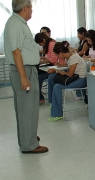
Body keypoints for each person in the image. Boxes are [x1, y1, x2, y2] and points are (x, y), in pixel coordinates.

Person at [4, 0, 48, 153]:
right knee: (26, 108)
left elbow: (26, 47)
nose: (32, 11)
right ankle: (29, 145)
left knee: (28, 108)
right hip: (23, 70)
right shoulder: (15, 24)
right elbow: (16, 52)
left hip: (28, 69)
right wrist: (23, 78)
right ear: (25, 8)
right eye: (31, 8)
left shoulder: (20, 23)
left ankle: (27, 137)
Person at [47, 42, 87, 121]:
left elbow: (69, 74)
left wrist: (57, 71)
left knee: (57, 86)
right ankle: (53, 104)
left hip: (81, 80)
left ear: (61, 53)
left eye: (57, 55)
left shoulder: (73, 57)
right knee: (51, 78)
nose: (58, 57)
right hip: (75, 77)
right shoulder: (69, 55)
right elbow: (69, 67)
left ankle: (57, 113)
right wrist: (58, 69)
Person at [35, 32, 66, 103]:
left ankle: (41, 98)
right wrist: (44, 59)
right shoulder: (47, 45)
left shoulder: (51, 44)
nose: (40, 45)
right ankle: (39, 97)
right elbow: (49, 57)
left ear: (43, 40)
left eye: (40, 43)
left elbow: (54, 59)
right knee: (36, 74)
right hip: (51, 66)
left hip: (55, 67)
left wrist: (44, 60)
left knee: (37, 74)